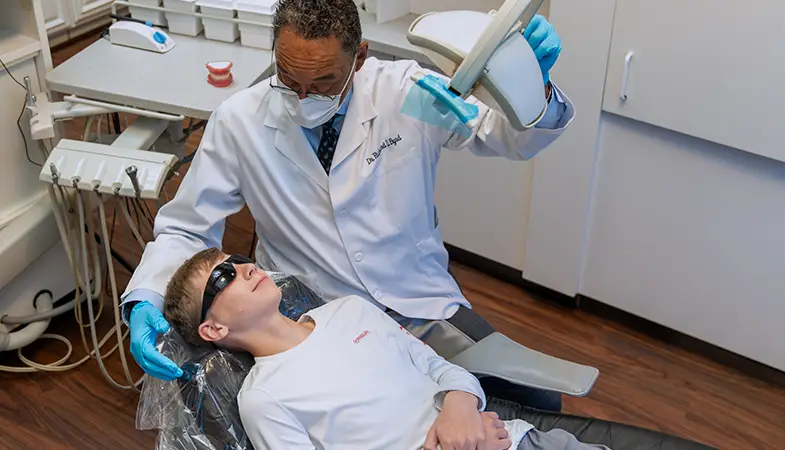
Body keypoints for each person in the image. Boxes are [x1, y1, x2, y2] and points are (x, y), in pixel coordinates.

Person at [124, 0, 574, 410]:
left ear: (359, 56)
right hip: (313, 318)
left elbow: (511, 137)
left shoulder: (408, 91)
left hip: (416, 301)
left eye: (323, 82)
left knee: (537, 400)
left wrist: (530, 82)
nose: (302, 98)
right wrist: (145, 296)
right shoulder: (238, 121)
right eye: (288, 78)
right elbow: (187, 228)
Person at [163, 248, 607, 450]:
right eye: (223, 278)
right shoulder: (262, 397)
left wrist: (461, 410)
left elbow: (441, 369)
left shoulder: (351, 311)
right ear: (214, 328)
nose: (243, 268)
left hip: (510, 439)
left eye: (235, 259)